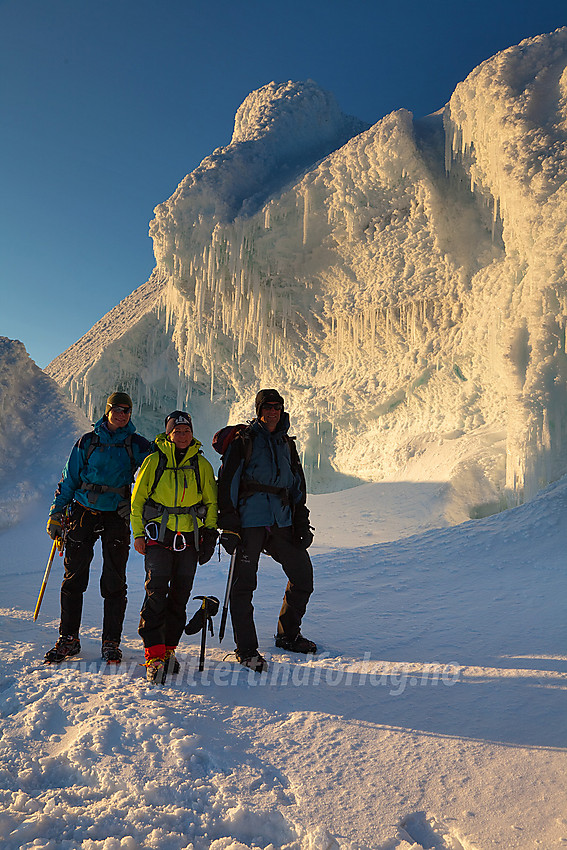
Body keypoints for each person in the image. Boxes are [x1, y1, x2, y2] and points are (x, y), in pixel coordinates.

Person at [45, 392, 152, 663]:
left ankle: (111, 642)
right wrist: (56, 514)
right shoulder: (87, 442)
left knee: (115, 580)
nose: (122, 414)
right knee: (73, 578)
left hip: (116, 516)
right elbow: (69, 478)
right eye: (117, 409)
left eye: (126, 410)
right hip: (82, 512)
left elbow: (156, 471)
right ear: (107, 411)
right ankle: (69, 637)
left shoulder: (137, 444)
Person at [218, 389, 315, 672]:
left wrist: (301, 520)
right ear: (259, 409)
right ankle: (246, 649)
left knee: (302, 575)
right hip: (250, 521)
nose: (273, 411)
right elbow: (228, 483)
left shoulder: (286, 443)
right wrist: (230, 525)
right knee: (243, 585)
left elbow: (297, 484)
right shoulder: (244, 441)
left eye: (278, 407)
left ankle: (288, 634)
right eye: (268, 407)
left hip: (281, 520)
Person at [131, 411, 218, 683]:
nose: (182, 435)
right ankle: (154, 655)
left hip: (189, 537)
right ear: (168, 433)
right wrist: (137, 534)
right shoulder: (154, 461)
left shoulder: (201, 464)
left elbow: (211, 502)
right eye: (177, 431)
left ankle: (169, 651)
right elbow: (138, 500)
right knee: (156, 592)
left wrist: (210, 532)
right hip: (158, 535)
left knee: (180, 595)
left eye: (186, 430)